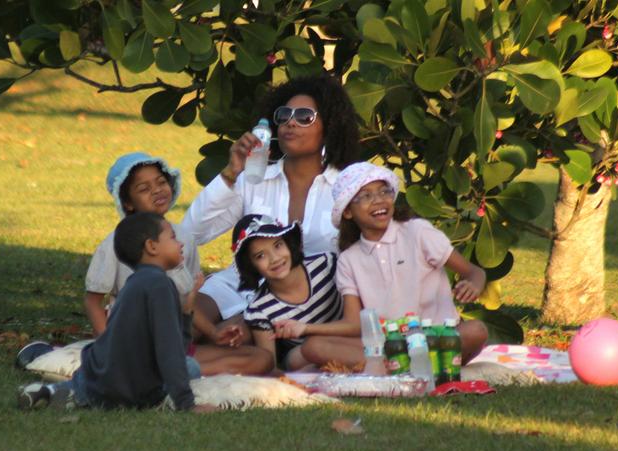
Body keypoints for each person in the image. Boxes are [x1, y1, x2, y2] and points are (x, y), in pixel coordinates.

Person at [180, 74, 360, 345]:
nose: (290, 122)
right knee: (182, 324)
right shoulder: (254, 179)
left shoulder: (346, 187)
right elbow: (191, 233)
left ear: (329, 126)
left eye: (304, 116)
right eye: (284, 114)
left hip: (303, 301)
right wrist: (231, 172)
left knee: (233, 335)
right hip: (240, 284)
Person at [81, 152, 273, 376]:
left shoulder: (183, 238)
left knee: (261, 358)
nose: (156, 190)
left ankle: (165, 373)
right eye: (143, 189)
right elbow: (93, 301)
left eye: (161, 182)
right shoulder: (115, 243)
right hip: (134, 344)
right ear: (127, 203)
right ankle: (156, 372)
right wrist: (108, 348)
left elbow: (186, 302)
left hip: (175, 343)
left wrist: (214, 334)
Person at [18, 213, 216, 412]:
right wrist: (186, 403)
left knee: (86, 388)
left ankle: (52, 392)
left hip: (96, 373)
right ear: (151, 246)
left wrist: (188, 304)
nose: (181, 244)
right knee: (191, 367)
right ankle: (76, 396)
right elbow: (171, 351)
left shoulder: (133, 284)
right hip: (131, 388)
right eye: (173, 237)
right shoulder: (161, 286)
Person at [332, 162, 489, 364]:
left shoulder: (417, 232)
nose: (378, 200)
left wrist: (474, 284)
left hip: (438, 336)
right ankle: (413, 363)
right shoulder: (348, 259)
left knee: (475, 331)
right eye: (366, 196)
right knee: (307, 351)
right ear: (347, 212)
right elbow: (353, 323)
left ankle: (400, 365)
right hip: (388, 344)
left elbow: (475, 272)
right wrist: (306, 329)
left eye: (383, 192)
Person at [232, 214, 363, 372]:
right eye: (260, 256)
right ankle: (340, 368)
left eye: (278, 245)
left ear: (289, 243)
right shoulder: (259, 309)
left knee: (314, 347)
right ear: (251, 265)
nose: (274, 259)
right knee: (296, 358)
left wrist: (306, 328)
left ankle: (372, 363)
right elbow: (270, 365)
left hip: (349, 336)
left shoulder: (326, 264)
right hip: (308, 355)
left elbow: (357, 322)